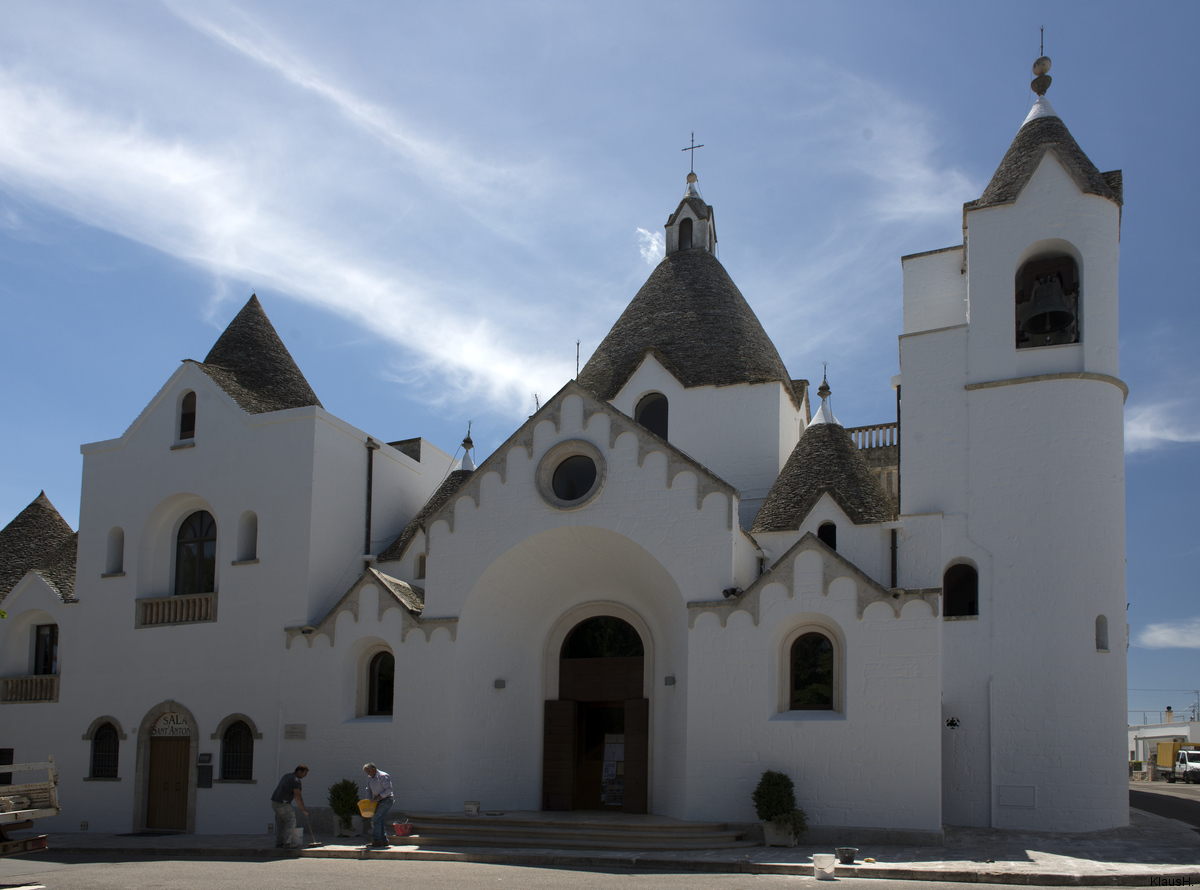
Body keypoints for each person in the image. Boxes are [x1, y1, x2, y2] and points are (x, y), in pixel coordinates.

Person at [269, 764, 309, 849]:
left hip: (275, 802)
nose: (305, 776)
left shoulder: (287, 775)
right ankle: (288, 842)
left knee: (280, 823)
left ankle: (279, 843)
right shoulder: (296, 780)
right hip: (283, 803)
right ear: (299, 771)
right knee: (291, 821)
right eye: (304, 773)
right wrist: (303, 810)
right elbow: (297, 796)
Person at [362, 762, 394, 847]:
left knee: (376, 819)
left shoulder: (383, 776)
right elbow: (368, 789)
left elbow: (389, 790)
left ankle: (376, 840)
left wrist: (379, 797)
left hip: (386, 799)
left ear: (374, 769)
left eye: (369, 772)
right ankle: (384, 840)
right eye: (367, 773)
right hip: (376, 800)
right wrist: (368, 800)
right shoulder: (370, 778)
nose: (368, 774)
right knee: (379, 820)